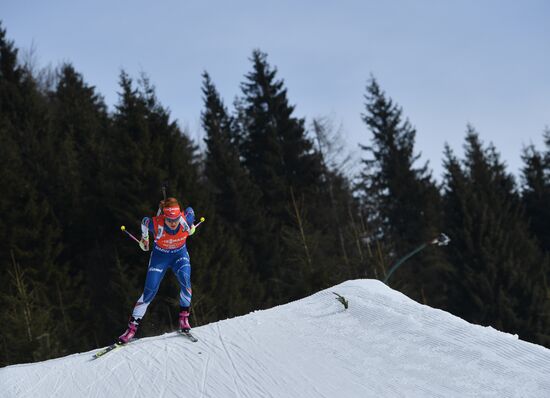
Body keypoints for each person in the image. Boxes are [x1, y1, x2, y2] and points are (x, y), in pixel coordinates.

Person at [119, 197, 196, 344]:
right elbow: (144, 221)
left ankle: (184, 318)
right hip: (160, 258)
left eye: (176, 219)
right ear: (164, 217)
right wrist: (145, 239)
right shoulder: (156, 223)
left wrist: (191, 226)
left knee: (185, 280)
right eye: (169, 220)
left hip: (179, 255)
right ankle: (131, 330)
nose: (173, 223)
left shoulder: (186, 219)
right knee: (149, 291)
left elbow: (191, 210)